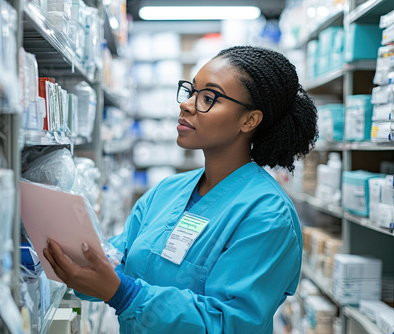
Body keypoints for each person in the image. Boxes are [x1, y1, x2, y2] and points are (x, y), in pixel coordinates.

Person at [43, 45, 318, 333]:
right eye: (191, 91)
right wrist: (80, 261)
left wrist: (125, 294)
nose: (186, 104)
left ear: (249, 120)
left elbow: (231, 323)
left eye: (209, 98)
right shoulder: (168, 191)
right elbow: (116, 259)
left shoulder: (268, 216)